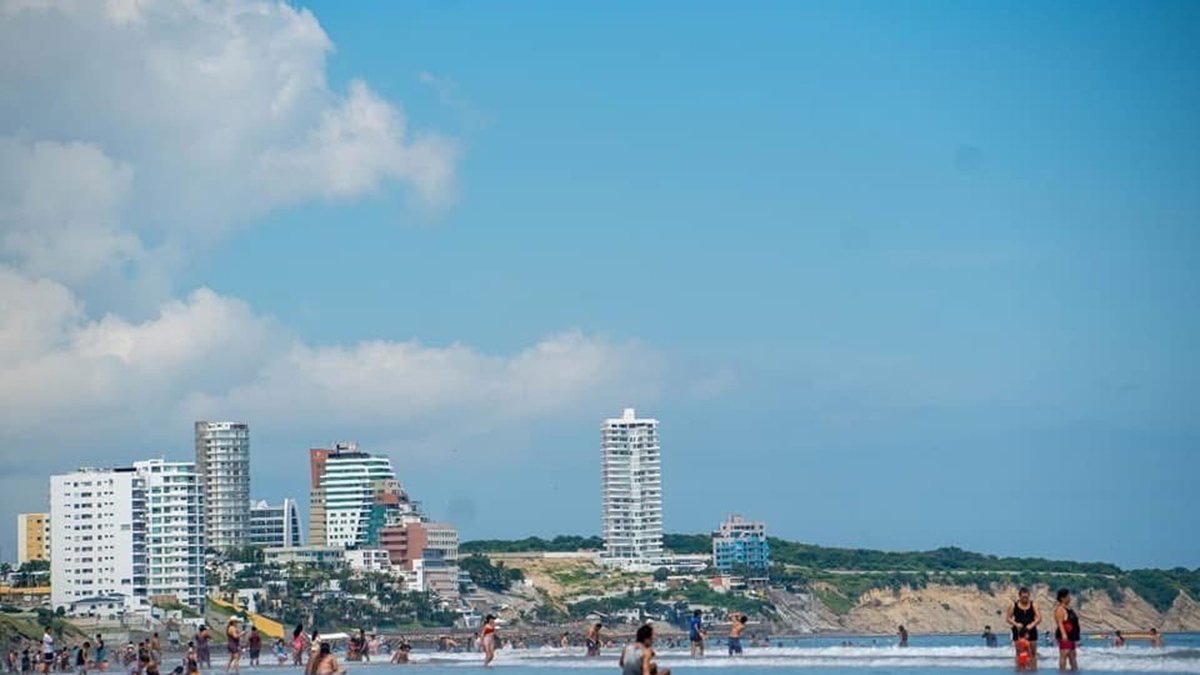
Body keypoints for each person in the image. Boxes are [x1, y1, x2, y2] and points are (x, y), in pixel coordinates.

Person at [1007, 587, 1041, 670]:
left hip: (1031, 630)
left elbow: (1039, 618)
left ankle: (1033, 670)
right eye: (1023, 597)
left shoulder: (1033, 604)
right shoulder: (1013, 605)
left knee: (1033, 652)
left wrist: (1031, 625)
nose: (1025, 599)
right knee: (1019, 652)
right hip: (1018, 631)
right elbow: (1008, 618)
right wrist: (1016, 624)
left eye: (1027, 597)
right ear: (1019, 596)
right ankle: (1019, 669)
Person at [1053, 588, 1080, 672]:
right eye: (1068, 596)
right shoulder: (1060, 609)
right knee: (1064, 654)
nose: (1069, 598)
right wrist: (1064, 634)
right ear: (1062, 598)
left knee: (1072, 655)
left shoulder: (1069, 608)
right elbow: (1060, 623)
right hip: (1065, 635)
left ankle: (1074, 671)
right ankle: (1062, 672)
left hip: (1072, 635)